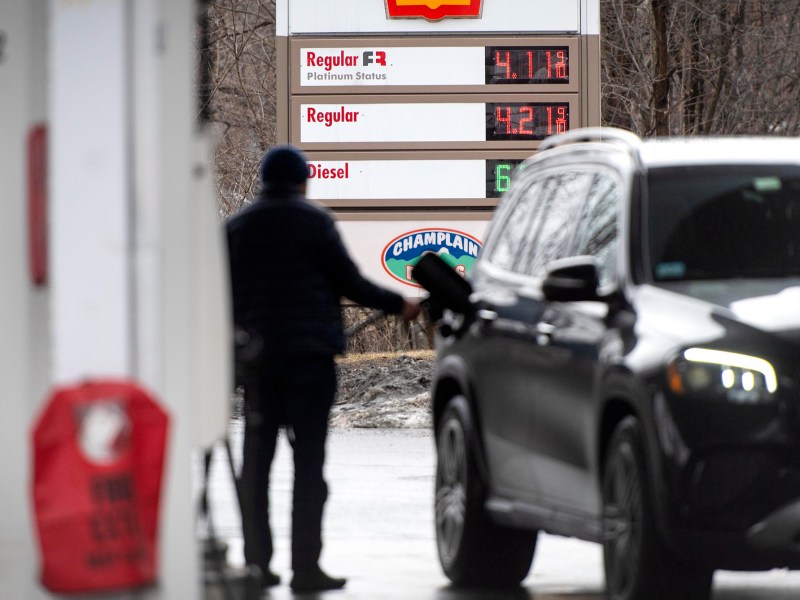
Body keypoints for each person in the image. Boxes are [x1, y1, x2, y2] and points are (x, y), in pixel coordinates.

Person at [226, 145, 420, 592]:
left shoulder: (237, 228)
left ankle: (258, 562)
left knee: (256, 466)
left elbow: (221, 296)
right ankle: (306, 568)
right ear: (302, 181)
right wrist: (399, 304)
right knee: (309, 467)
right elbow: (349, 281)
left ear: (263, 181)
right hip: (311, 363)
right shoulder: (315, 222)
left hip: (258, 365)